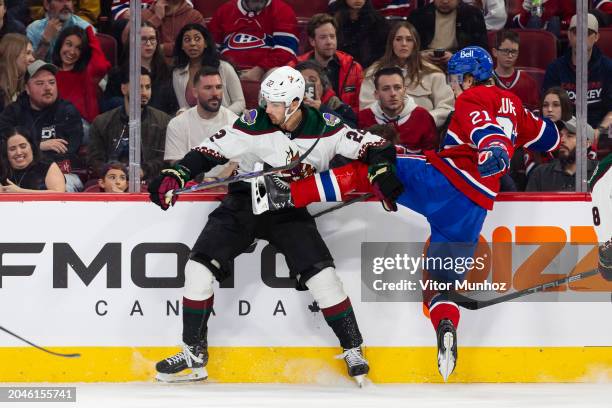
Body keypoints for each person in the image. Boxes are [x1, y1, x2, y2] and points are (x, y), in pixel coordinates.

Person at [261, 47, 560, 381]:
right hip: (474, 210)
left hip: (446, 182)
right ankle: (446, 324)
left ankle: (286, 193)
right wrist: (560, 129)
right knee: (439, 284)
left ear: (471, 76)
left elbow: (484, 129)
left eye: (457, 78)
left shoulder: (472, 97)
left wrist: (495, 148)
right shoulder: (516, 106)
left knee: (374, 164)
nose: (454, 86)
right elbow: (549, 137)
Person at [147, 66, 402, 385]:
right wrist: (177, 174)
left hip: (289, 209)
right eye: (266, 101)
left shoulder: (327, 127)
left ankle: (353, 347)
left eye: (275, 103)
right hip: (244, 203)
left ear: (295, 103)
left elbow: (377, 147)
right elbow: (209, 150)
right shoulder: (253, 123)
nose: (267, 109)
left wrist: (381, 171)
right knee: (198, 268)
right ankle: (193, 351)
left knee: (323, 279)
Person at [0, 60, 83, 191]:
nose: (47, 87)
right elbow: (3, 145)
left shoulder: (68, 111)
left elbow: (67, 150)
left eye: (51, 82)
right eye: (40, 83)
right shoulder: (12, 113)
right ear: (27, 88)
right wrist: (40, 145)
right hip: (18, 172)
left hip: (62, 172)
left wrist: (31, 150)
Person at [359, 21, 454, 129]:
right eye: (398, 39)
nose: (404, 44)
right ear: (391, 43)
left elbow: (447, 108)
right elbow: (366, 109)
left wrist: (421, 120)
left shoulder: (433, 74)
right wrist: (391, 124)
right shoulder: (373, 74)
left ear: (415, 44)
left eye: (409, 40)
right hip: (384, 134)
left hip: (422, 132)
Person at [88, 67, 170, 183]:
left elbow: (166, 158)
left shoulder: (163, 121)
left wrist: (143, 170)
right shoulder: (101, 122)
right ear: (124, 88)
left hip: (149, 181)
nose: (144, 93)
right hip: (110, 182)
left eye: (148, 87)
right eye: (139, 87)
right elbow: (94, 159)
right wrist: (113, 173)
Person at [542, 13, 612, 129]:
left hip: (599, 131)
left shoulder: (608, 68)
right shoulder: (555, 68)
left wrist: (599, 131)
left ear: (596, 37)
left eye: (587, 33)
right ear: (569, 35)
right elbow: (549, 109)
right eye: (576, 32)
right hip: (563, 131)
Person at [207, 0, 299, 82]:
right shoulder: (225, 10)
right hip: (226, 70)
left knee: (278, 76)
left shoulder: (282, 10)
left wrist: (260, 69)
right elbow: (212, 48)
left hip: (266, 71)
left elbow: (286, 50)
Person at [291, 13, 363, 114]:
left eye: (332, 36)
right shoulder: (295, 68)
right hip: (308, 121)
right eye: (323, 37)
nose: (329, 42)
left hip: (342, 122)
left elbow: (360, 108)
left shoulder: (354, 68)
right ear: (312, 41)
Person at [165, 66, 238, 164]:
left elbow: (238, 163)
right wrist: (201, 179)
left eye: (218, 87)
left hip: (228, 179)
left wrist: (218, 178)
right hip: (191, 178)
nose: (215, 93)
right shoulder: (177, 124)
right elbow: (175, 163)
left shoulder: (235, 123)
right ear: (195, 92)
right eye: (208, 88)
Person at [103, 22, 177, 115]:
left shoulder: (167, 71)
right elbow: (108, 104)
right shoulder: (119, 73)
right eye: (143, 39)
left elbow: (173, 106)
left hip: (161, 124)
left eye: (152, 39)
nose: (149, 43)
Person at [358, 66, 438, 152]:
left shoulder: (422, 116)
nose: (393, 94)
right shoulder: (363, 118)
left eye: (397, 88)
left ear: (404, 91)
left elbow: (432, 156)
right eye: (386, 89)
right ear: (376, 94)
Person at [172, 24, 245, 115]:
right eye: (187, 40)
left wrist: (219, 117)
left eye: (197, 39)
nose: (192, 43)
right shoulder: (178, 73)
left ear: (206, 43)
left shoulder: (223, 67)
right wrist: (182, 112)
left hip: (225, 121)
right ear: (182, 46)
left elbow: (240, 103)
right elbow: (183, 105)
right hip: (196, 123)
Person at [52, 25, 111, 129]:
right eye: (68, 44)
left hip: (83, 125)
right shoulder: (49, 73)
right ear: (60, 44)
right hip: (56, 124)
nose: (72, 52)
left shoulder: (87, 73)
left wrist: (90, 33)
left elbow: (101, 65)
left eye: (78, 48)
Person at [408, 0, 488, 68]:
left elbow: (481, 50)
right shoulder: (418, 15)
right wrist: (420, 56)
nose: (445, 1)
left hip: (461, 65)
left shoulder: (472, 14)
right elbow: (408, 48)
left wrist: (457, 57)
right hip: (424, 64)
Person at [526, 118, 596, 191]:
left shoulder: (599, 172)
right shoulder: (540, 173)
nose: (561, 140)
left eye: (569, 135)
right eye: (560, 135)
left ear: (587, 143)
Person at [0, 126, 65, 192]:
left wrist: (20, 192)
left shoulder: (47, 166)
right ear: (6, 152)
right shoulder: (2, 168)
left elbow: (59, 194)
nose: (18, 152)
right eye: (12, 149)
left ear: (32, 147)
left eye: (23, 146)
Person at [294, 60, 357, 128]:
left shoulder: (340, 107)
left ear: (323, 84)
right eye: (302, 81)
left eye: (312, 80)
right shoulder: (289, 106)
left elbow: (348, 130)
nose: (308, 84)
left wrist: (322, 110)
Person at [27, 0, 93, 61]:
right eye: (60, 0)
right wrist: (45, 42)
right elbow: (31, 66)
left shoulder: (86, 29)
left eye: (68, 0)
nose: (66, 4)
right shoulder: (33, 28)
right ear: (47, 4)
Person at [492, 30, 540, 113]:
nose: (510, 56)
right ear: (495, 52)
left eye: (514, 52)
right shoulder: (485, 81)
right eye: (505, 51)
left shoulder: (529, 82)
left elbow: (535, 115)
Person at [331, 0, 389, 69]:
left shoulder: (377, 20)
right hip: (340, 68)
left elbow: (384, 50)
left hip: (370, 70)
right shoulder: (333, 20)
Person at [139, 0, 205, 60]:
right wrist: (157, 18)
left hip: (184, 66)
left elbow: (198, 45)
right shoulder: (144, 15)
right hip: (151, 68)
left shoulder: (194, 16)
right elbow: (133, 43)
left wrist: (163, 48)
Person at [0, 33, 35, 112]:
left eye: (32, 54)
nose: (33, 59)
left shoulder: (25, 85)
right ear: (13, 54)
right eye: (28, 53)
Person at [29, 0, 100, 25]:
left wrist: (69, 25)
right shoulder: (33, 29)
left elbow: (89, 14)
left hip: (75, 26)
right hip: (44, 20)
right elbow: (34, 7)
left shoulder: (84, 27)